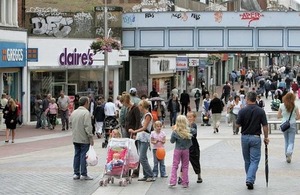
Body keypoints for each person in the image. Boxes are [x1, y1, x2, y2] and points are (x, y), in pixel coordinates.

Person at [236, 91, 269, 190]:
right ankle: (250, 179)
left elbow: (237, 125)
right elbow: (265, 126)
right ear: (255, 99)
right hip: (255, 137)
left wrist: (242, 124)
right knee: (254, 160)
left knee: (247, 160)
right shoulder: (260, 111)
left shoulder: (242, 111)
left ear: (247, 99)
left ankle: (249, 179)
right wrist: (266, 137)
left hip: (245, 137)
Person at [129, 100, 155, 182]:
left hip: (145, 138)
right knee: (143, 156)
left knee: (142, 157)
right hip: (141, 137)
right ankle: (146, 175)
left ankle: (150, 174)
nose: (139, 107)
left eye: (140, 106)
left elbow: (144, 127)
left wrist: (134, 131)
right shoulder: (144, 115)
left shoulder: (148, 115)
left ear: (143, 106)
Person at [70, 96, 94, 180]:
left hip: (75, 137)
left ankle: (76, 173)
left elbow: (70, 123)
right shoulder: (86, 113)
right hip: (84, 138)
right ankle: (84, 173)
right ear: (86, 103)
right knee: (83, 155)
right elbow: (88, 126)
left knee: (77, 155)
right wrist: (90, 137)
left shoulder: (74, 112)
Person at [178, 111, 203, 184]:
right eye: (187, 117)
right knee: (184, 162)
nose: (189, 118)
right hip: (186, 147)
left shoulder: (194, 125)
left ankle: (199, 176)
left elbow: (193, 133)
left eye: (190, 117)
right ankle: (180, 177)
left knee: (196, 161)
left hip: (194, 147)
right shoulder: (184, 125)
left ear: (194, 118)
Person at [169, 115, 192, 188]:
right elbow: (190, 143)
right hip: (185, 150)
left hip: (178, 149)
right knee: (185, 166)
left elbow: (172, 141)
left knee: (175, 165)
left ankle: (172, 181)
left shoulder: (175, 132)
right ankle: (185, 182)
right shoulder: (188, 131)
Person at [277, 92, 300, 163]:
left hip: (284, 124)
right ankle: (289, 153)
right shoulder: (295, 106)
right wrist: (294, 118)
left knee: (286, 140)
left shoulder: (281, 105)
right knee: (291, 141)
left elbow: (278, 116)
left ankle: (287, 156)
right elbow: (298, 116)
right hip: (292, 124)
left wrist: (284, 117)